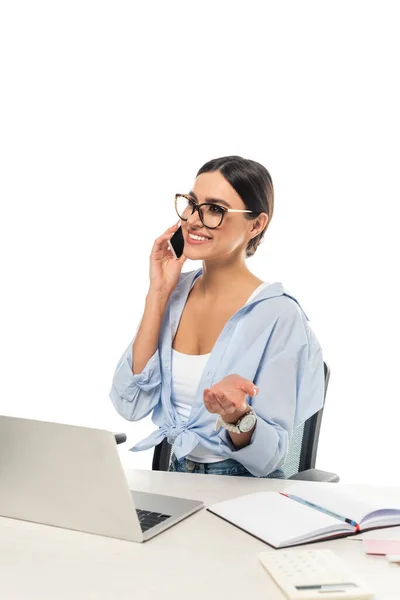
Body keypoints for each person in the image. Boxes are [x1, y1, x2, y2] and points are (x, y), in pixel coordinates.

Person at [109, 155, 325, 478]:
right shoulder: (174, 294)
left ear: (256, 224)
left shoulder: (279, 316)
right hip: (175, 479)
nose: (194, 220)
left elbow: (268, 458)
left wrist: (238, 416)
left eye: (215, 209)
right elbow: (131, 401)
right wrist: (157, 294)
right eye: (192, 204)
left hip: (245, 492)